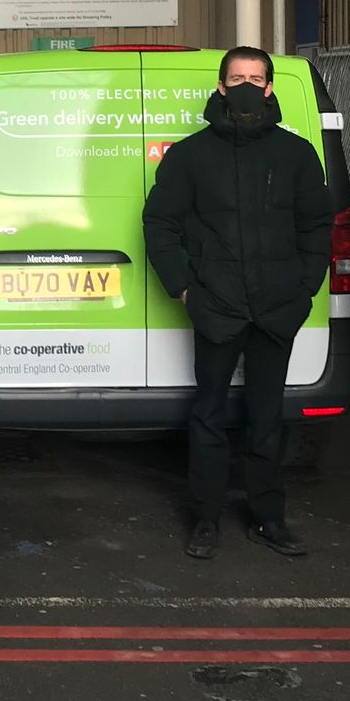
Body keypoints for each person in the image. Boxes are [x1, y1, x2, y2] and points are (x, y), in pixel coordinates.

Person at [143, 46, 334, 559]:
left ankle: (269, 519)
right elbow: (160, 224)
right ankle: (205, 518)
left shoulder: (296, 155)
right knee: (208, 415)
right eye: (237, 77)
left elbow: (317, 225)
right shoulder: (190, 155)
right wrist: (185, 289)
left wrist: (304, 286)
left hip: (278, 308)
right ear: (222, 87)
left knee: (266, 417)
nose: (247, 85)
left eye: (256, 77)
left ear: (269, 88)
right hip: (216, 308)